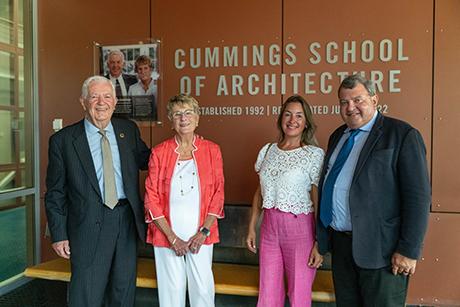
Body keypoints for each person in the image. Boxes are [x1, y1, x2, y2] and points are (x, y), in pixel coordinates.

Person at [316, 74, 431, 307]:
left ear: (374, 99)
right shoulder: (338, 136)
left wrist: (408, 250)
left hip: (383, 251)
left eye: (358, 100)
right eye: (344, 102)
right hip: (342, 247)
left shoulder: (402, 135)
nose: (350, 107)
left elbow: (418, 198)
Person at [45, 75, 150, 307]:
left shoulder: (128, 130)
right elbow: (55, 192)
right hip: (86, 224)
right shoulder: (63, 141)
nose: (101, 102)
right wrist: (59, 233)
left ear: (114, 101)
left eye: (107, 96)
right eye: (94, 97)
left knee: (123, 291)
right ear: (83, 101)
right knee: (86, 294)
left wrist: (182, 146)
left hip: (126, 221)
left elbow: (150, 161)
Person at [144, 94, 224, 307]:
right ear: (171, 120)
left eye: (188, 113)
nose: (183, 118)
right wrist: (172, 238)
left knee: (203, 291)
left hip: (201, 234)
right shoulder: (159, 152)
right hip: (167, 234)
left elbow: (218, 193)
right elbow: (150, 197)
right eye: (177, 114)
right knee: (171, 293)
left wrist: (203, 232)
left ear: (197, 118)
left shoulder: (212, 150)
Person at [246, 95, 324, 307]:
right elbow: (259, 192)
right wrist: (252, 227)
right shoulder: (268, 150)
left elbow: (318, 200)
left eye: (299, 115)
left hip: (300, 229)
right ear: (281, 118)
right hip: (269, 228)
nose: (293, 120)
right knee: (268, 293)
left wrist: (319, 241)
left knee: (298, 294)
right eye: (288, 114)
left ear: (306, 122)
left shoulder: (314, 155)